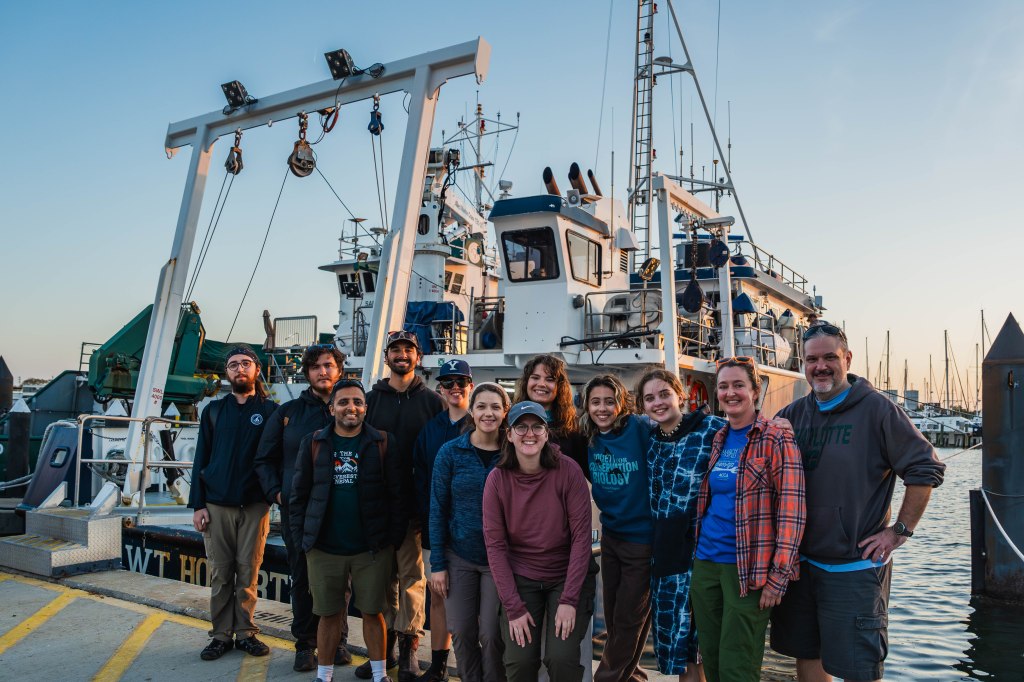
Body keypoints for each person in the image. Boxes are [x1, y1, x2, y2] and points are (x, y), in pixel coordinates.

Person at [770, 322, 945, 682]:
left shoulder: (878, 410)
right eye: (812, 359)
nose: (821, 366)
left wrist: (899, 531)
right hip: (800, 566)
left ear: (847, 358)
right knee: (807, 654)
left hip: (853, 568)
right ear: (803, 363)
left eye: (830, 357)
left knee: (859, 668)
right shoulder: (791, 416)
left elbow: (925, 470)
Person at [690, 358, 806, 682]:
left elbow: (792, 510)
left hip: (748, 570)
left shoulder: (776, 438)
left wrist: (778, 576)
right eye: (724, 386)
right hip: (706, 563)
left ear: (755, 391)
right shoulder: (719, 437)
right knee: (711, 659)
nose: (730, 393)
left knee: (737, 665)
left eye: (739, 385)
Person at [289, 379, 404, 682]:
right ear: (331, 409)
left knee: (372, 612)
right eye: (343, 402)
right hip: (324, 548)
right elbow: (298, 496)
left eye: (357, 401)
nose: (350, 407)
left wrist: (390, 541)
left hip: (371, 549)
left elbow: (397, 496)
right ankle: (323, 675)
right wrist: (305, 541)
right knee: (328, 614)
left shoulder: (382, 442)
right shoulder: (313, 442)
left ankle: (380, 674)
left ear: (365, 408)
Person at [254, 343, 352, 672]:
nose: (323, 371)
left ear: (339, 369)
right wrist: (277, 493)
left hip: (341, 510)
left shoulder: (350, 408)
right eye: (316, 367)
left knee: (341, 580)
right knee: (303, 578)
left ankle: (337, 641)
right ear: (308, 373)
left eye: (328, 365)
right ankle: (305, 644)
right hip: (300, 511)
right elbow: (264, 458)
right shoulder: (288, 413)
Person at [483, 401, 595, 682]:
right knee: (520, 662)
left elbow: (582, 539)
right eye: (521, 426)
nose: (529, 433)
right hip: (522, 577)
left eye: (537, 426)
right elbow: (495, 547)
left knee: (561, 659)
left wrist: (569, 599)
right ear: (509, 434)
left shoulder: (568, 472)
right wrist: (513, 608)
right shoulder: (497, 480)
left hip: (565, 576)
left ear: (547, 433)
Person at [363, 330, 446, 680]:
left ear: (418, 357)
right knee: (382, 580)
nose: (402, 355)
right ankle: (385, 651)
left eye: (408, 350)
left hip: (415, 505)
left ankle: (410, 645)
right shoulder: (370, 400)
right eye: (395, 350)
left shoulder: (433, 402)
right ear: (387, 357)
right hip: (377, 507)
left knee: (413, 578)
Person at [188, 346, 278, 661]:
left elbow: (276, 459)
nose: (239, 369)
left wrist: (273, 495)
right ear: (227, 372)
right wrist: (197, 505)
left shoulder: (271, 411)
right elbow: (202, 458)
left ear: (256, 370)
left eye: (245, 363)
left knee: (249, 573)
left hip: (255, 506)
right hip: (217, 505)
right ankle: (220, 636)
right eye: (233, 365)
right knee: (220, 574)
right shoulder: (213, 411)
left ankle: (246, 633)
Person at [637, 368, 723, 682]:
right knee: (680, 652)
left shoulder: (712, 429)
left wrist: (777, 425)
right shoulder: (649, 440)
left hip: (703, 553)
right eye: (649, 398)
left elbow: (751, 437)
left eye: (664, 394)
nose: (658, 402)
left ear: (680, 395)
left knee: (706, 648)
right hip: (667, 556)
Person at [429, 382, 510, 682]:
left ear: (505, 413)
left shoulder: (513, 454)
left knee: (491, 634)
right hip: (459, 555)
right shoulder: (451, 453)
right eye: (482, 406)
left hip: (498, 560)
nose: (488, 413)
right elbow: (437, 509)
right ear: (472, 412)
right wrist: (438, 564)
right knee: (462, 631)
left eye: (495, 407)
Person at [579, 375, 654, 682]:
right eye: (595, 402)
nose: (602, 408)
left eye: (609, 401)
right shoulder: (589, 437)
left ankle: (607, 678)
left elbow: (675, 425)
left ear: (621, 403)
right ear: (587, 406)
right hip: (611, 536)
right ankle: (632, 674)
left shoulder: (639, 428)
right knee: (613, 614)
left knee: (629, 616)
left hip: (642, 540)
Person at [412, 359, 475, 681]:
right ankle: (438, 665)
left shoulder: (484, 426)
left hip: (474, 533)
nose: (454, 388)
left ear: (470, 386)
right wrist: (427, 522)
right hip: (437, 529)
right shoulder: (432, 429)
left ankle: (474, 666)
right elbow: (420, 478)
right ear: (440, 388)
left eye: (460, 382)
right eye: (448, 382)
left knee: (475, 604)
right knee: (438, 596)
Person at [512, 355, 587, 473]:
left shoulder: (574, 427)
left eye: (550, 379)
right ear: (526, 382)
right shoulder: (511, 422)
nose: (541, 384)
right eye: (535, 377)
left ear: (559, 387)